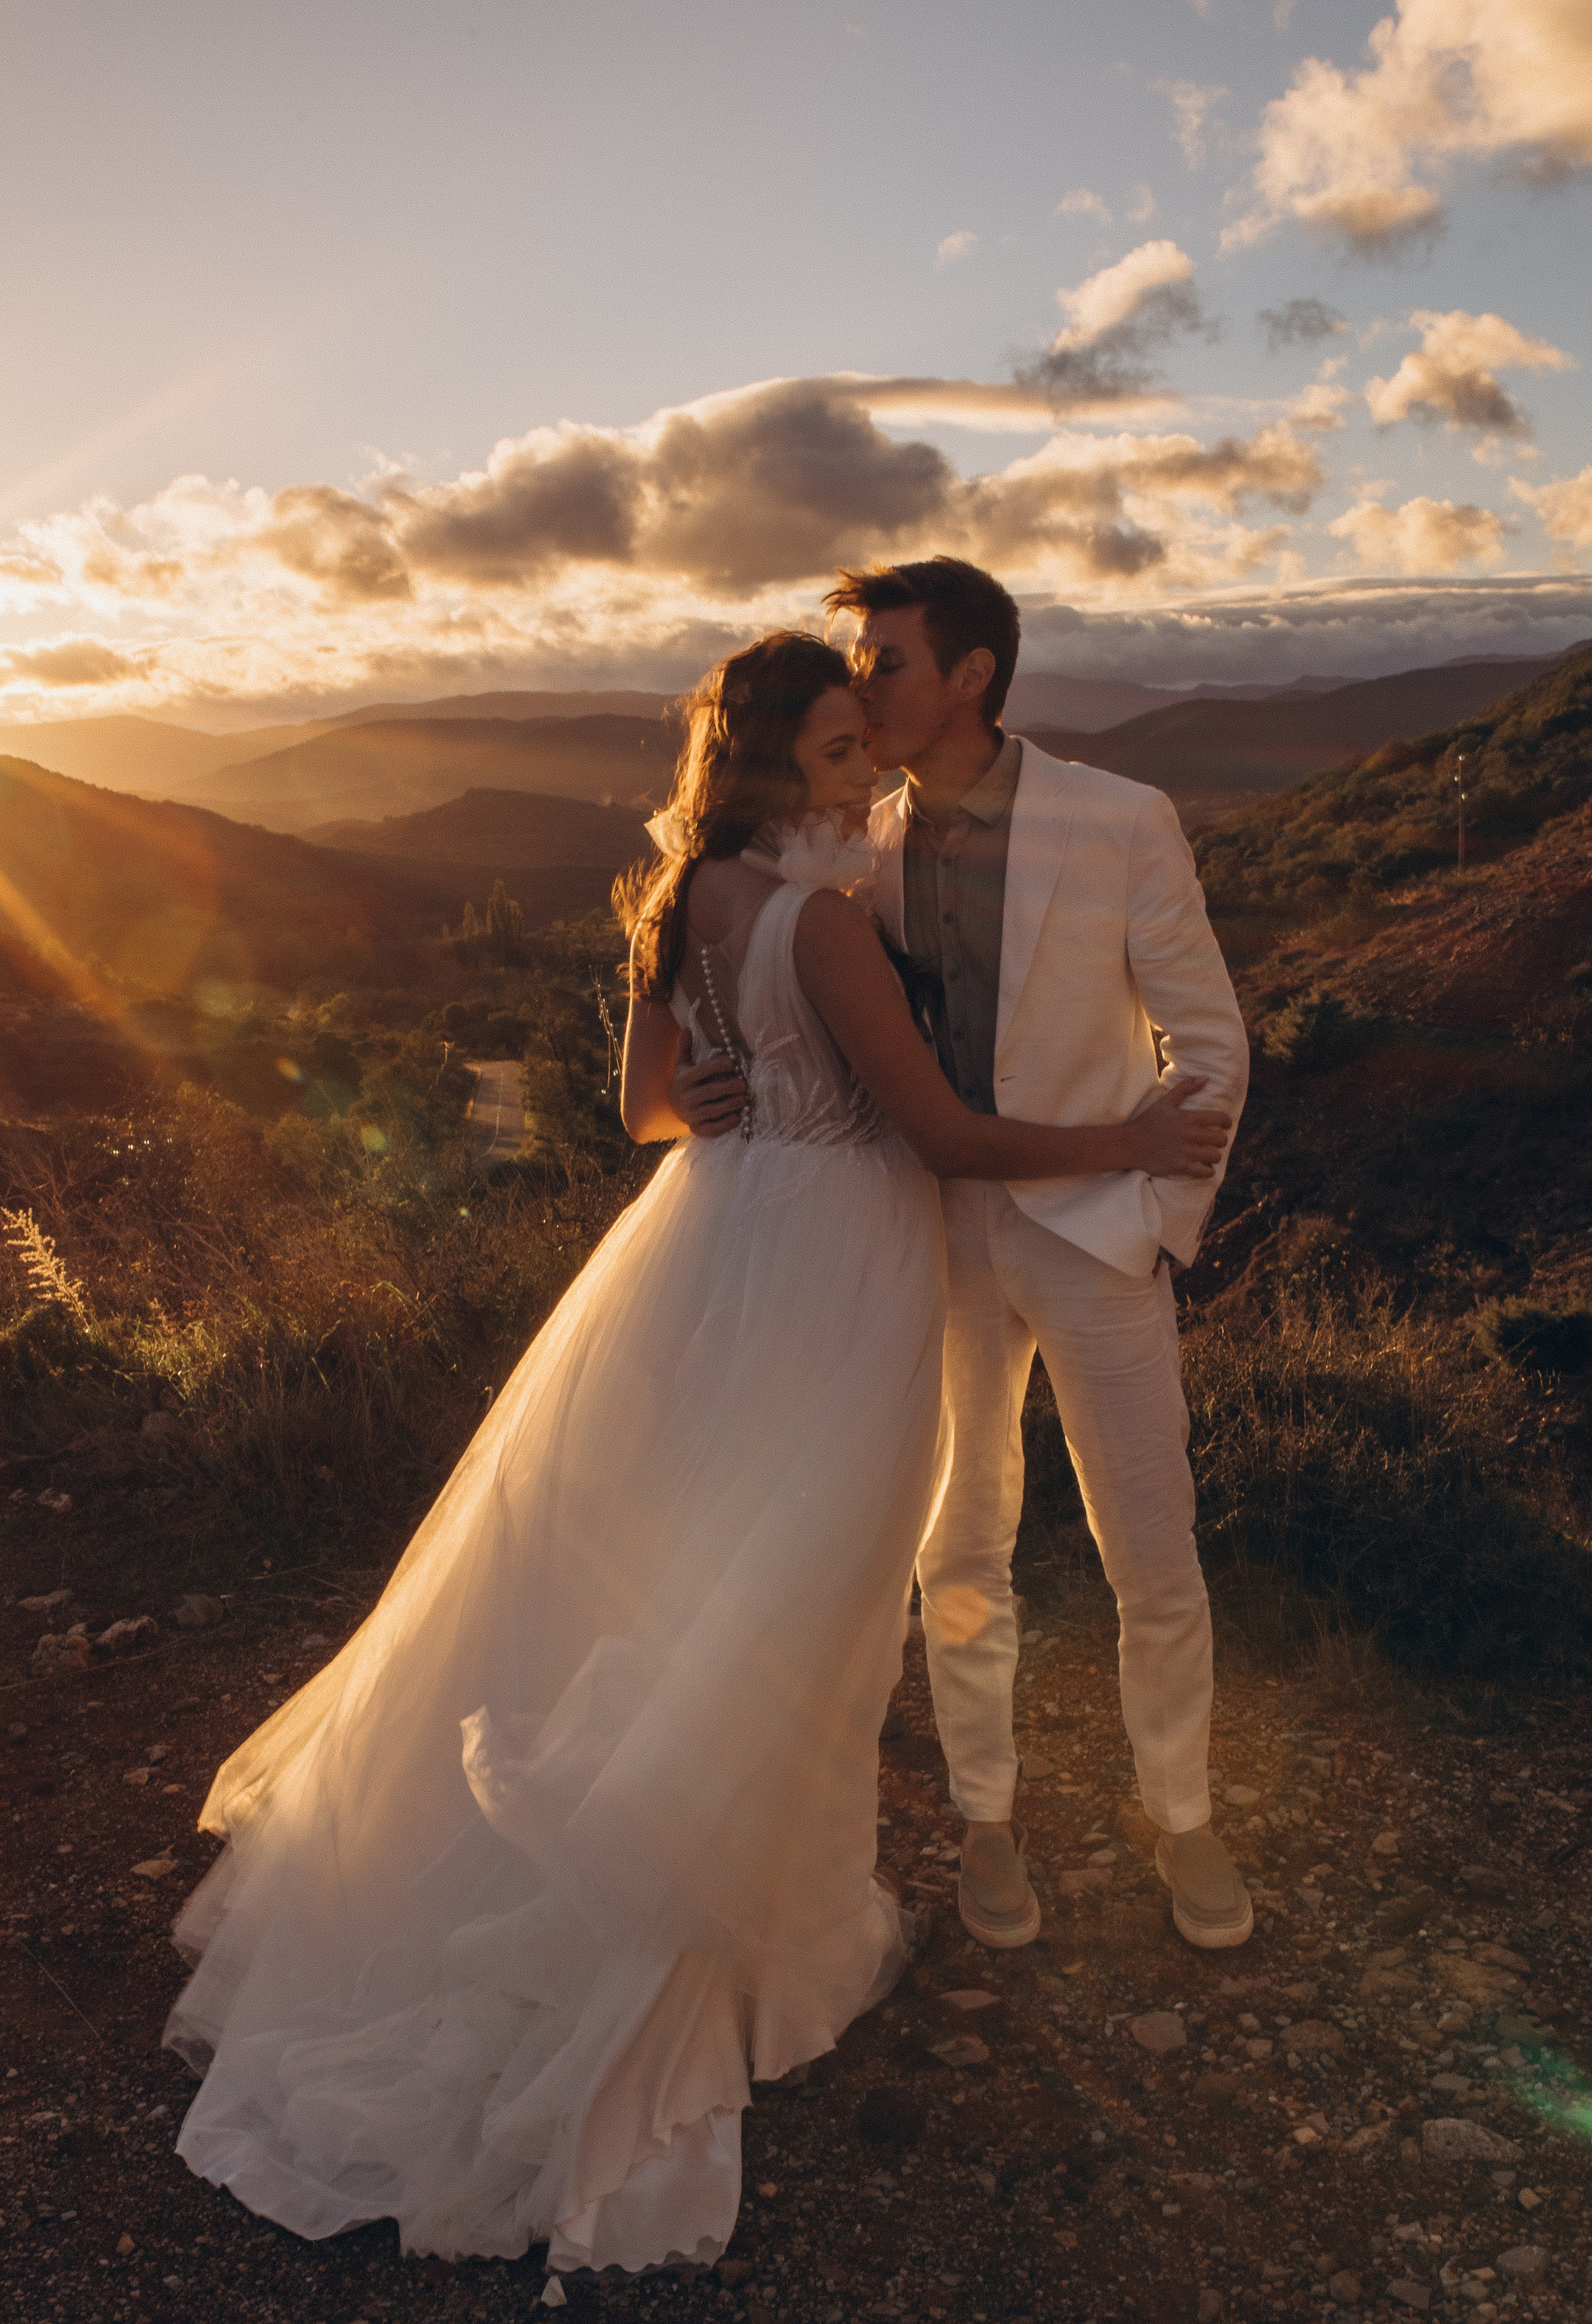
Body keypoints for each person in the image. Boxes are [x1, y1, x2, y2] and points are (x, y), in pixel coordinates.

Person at [161, 633, 1229, 2279]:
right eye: (833, 750)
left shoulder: (691, 899)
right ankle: (714, 1920)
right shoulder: (817, 921)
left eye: (864, 741)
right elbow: (940, 1135)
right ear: (772, 767)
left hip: (715, 1248)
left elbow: (647, 1111)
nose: (864, 766)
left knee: (706, 1563)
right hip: (841, 1271)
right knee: (802, 1595)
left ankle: (723, 1866)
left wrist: (739, 1089)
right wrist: (1128, 1139)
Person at [839, 554, 1253, 1952]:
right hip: (936, 1239)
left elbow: (1212, 1044)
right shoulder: (862, 843)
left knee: (1155, 1549)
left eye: (886, 660)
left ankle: (1182, 1816)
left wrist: (1149, 1218)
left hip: (1098, 1239)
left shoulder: (1120, 818)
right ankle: (987, 1820)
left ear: (972, 675)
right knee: (961, 1545)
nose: (862, 687)